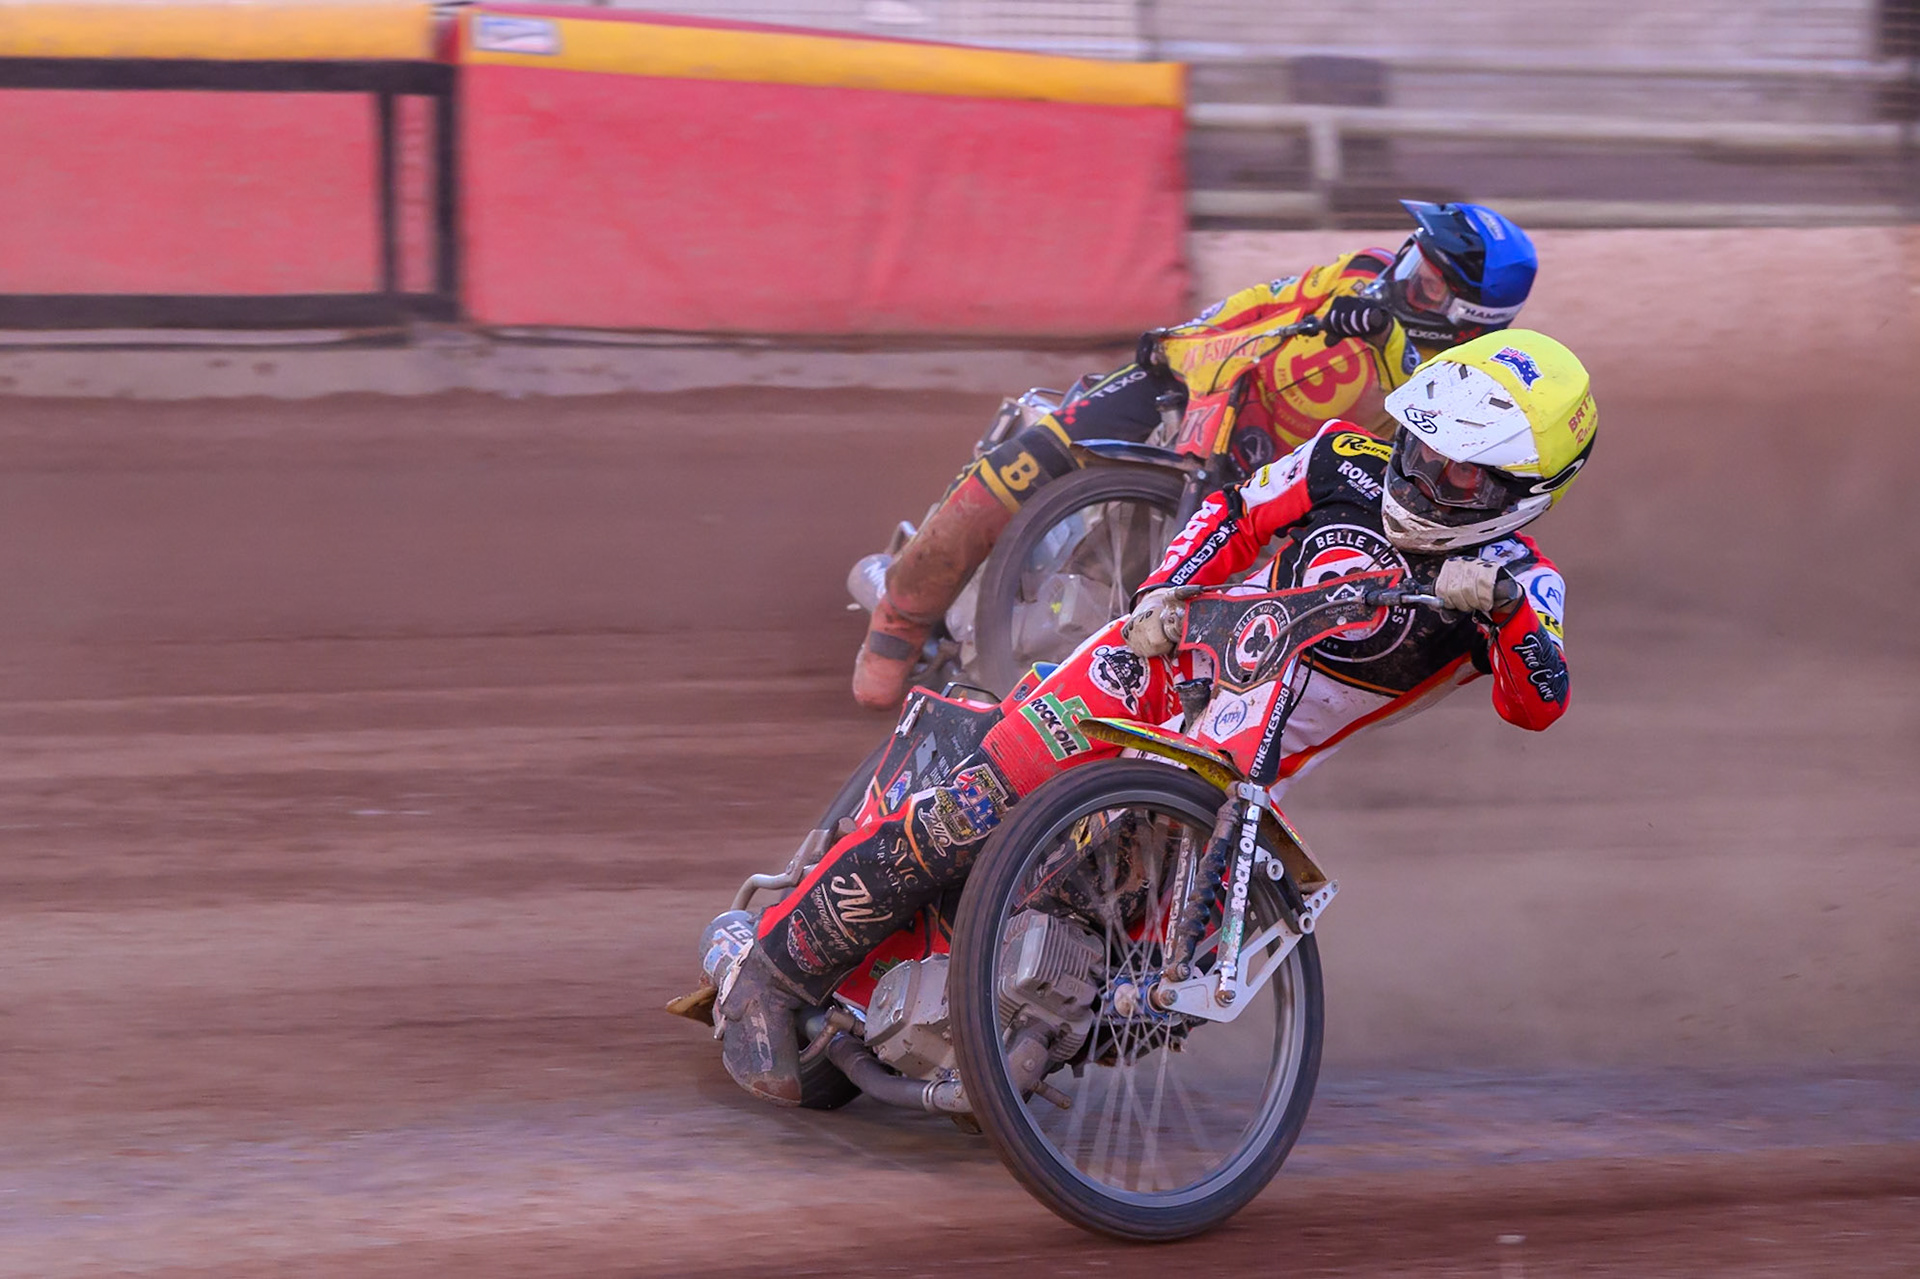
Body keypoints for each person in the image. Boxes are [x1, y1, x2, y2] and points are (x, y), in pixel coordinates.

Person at [717, 329, 1595, 1104]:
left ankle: (1005, 1032)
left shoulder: (1527, 583)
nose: (1429, 470)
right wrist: (1169, 586)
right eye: (1423, 443)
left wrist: (1507, 608)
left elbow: (1538, 702)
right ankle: (772, 972)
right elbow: (1235, 511)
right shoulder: (1342, 458)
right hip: (1149, 668)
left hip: (1233, 761)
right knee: (970, 807)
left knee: (1147, 936)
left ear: (1525, 488)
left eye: (1462, 468)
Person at [849, 199, 1541, 712]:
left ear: (1466, 319)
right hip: (1193, 388)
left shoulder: (1449, 392)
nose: (1403, 275)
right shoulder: (1363, 275)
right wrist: (1186, 338)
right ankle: (901, 615)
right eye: (1413, 256)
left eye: (1426, 280)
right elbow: (1263, 304)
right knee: (1025, 460)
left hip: (1274, 488)